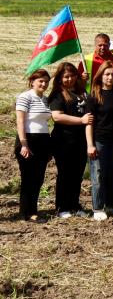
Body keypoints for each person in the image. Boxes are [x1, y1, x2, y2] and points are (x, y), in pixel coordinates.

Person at [47, 62, 92, 219]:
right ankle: (62, 207)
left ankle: (74, 204)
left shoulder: (81, 92)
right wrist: (81, 120)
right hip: (63, 141)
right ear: (60, 78)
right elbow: (57, 116)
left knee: (77, 174)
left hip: (80, 141)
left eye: (72, 76)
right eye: (66, 77)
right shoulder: (57, 94)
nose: (69, 79)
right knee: (65, 174)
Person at [85, 60, 113, 221]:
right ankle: (98, 207)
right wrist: (90, 144)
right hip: (99, 141)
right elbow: (89, 123)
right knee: (99, 174)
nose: (110, 77)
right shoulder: (94, 97)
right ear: (100, 76)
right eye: (107, 74)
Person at [15, 70, 52, 222]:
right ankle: (24, 212)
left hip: (43, 141)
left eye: (46, 81)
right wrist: (23, 143)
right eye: (40, 81)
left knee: (38, 178)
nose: (44, 84)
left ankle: (33, 210)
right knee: (28, 177)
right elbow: (20, 121)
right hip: (28, 140)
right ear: (32, 82)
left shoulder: (45, 99)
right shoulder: (25, 97)